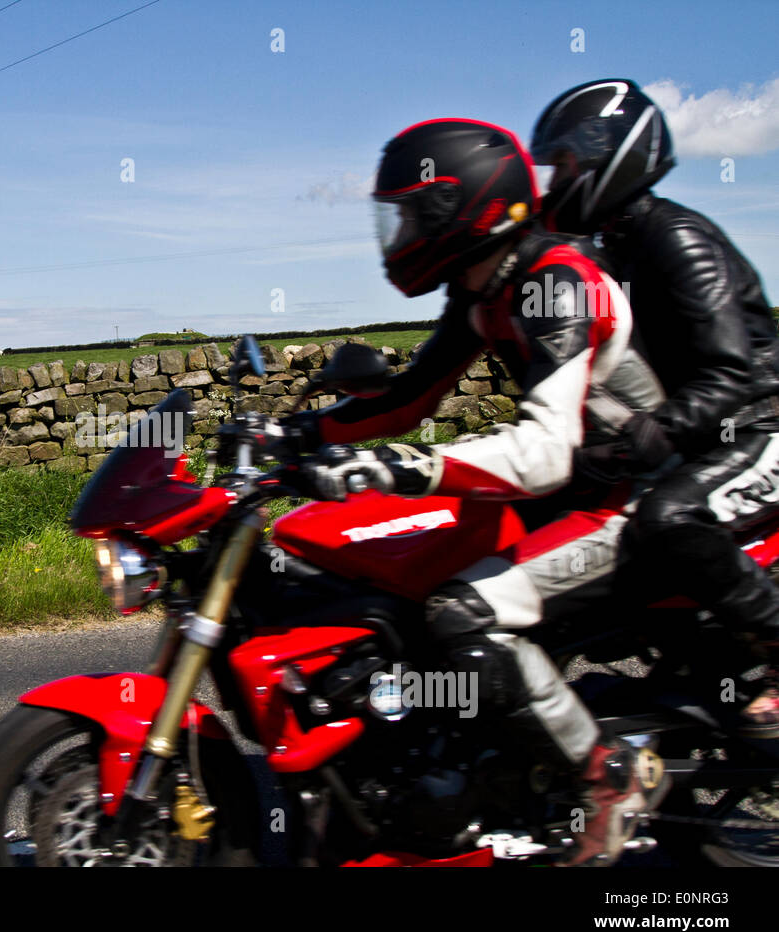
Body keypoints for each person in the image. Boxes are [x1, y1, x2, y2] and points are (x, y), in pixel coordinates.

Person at [258, 118, 669, 865]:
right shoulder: (487, 285)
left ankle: (604, 776)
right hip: (579, 492)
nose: (400, 231)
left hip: (633, 497)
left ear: (465, 208)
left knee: (463, 607)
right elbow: (408, 397)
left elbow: (544, 451)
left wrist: (406, 468)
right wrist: (299, 435)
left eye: (413, 213)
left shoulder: (554, 282)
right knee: (408, 579)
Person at [531, 79, 779, 736]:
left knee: (669, 517)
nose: (557, 179)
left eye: (566, 163)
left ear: (615, 154)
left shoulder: (676, 237)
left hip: (759, 426)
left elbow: (735, 375)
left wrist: (654, 432)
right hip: (699, 434)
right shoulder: (606, 250)